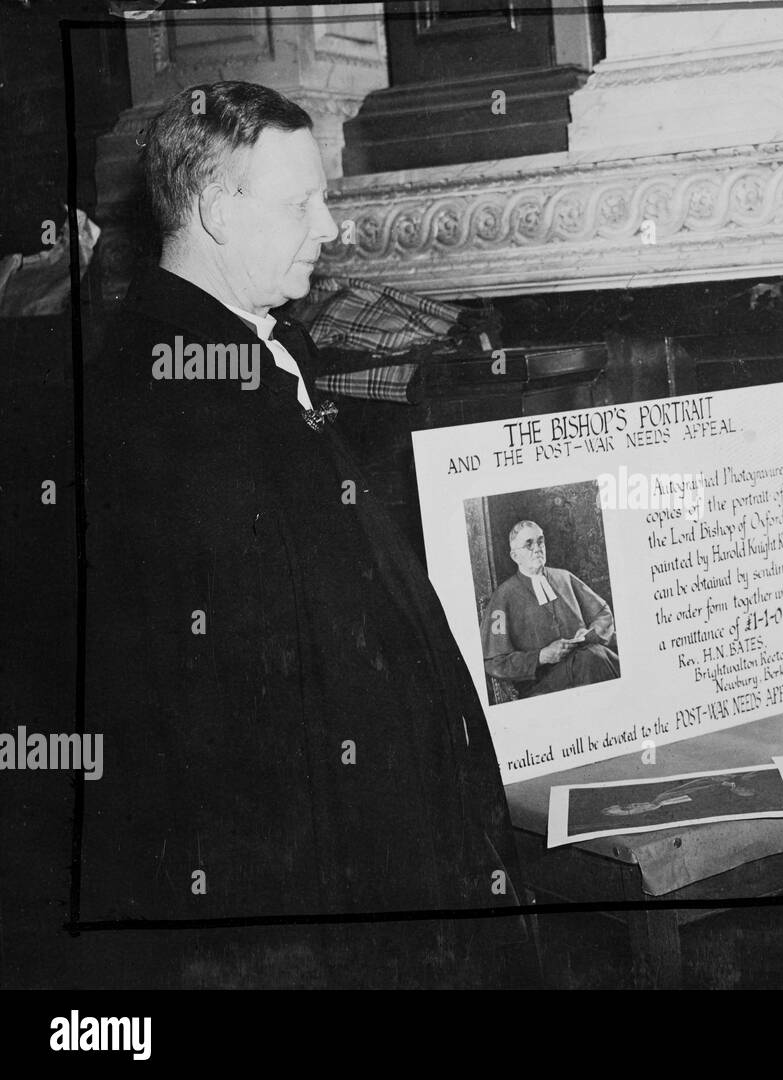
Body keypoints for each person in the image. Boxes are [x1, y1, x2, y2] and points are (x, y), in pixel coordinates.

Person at [80, 81, 535, 986]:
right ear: (214, 209)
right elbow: (238, 730)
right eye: (301, 203)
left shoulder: (248, 346)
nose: (330, 228)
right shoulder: (164, 398)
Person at [479, 520, 620, 698]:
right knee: (594, 657)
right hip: (543, 683)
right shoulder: (503, 596)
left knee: (594, 656)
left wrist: (588, 633)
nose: (537, 548)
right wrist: (541, 656)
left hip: (585, 662)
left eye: (540, 541)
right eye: (529, 544)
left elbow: (602, 613)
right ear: (515, 556)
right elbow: (494, 662)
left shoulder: (564, 577)